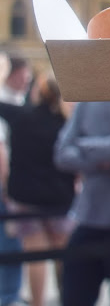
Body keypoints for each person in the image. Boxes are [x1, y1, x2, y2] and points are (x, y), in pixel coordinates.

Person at [54, 101, 110, 306]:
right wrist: (104, 157)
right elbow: (62, 153)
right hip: (88, 218)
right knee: (74, 297)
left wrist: (84, 146)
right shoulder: (86, 104)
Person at [0, 73, 75, 306]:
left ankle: (38, 303)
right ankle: (67, 299)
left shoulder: (22, 116)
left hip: (27, 198)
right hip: (59, 198)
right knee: (63, 254)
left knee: (35, 256)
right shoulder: (65, 121)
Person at [0, 53, 32, 306]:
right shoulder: (5, 101)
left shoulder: (19, 99)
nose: (27, 79)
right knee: (9, 243)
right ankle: (8, 296)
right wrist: (6, 188)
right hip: (6, 185)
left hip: (13, 182)